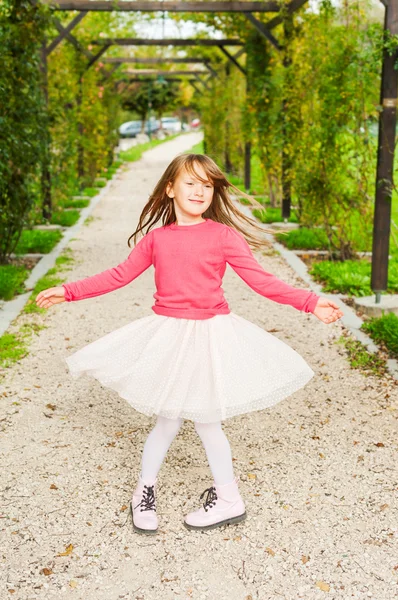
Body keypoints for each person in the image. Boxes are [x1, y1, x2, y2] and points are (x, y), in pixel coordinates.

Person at [35, 153, 344, 536]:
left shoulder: (223, 236)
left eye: (207, 185)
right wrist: (68, 290)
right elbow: (118, 275)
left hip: (210, 336)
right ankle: (146, 493)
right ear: (170, 189)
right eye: (190, 183)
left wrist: (310, 301)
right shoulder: (156, 240)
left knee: (206, 420)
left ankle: (227, 498)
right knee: (168, 420)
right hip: (169, 336)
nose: (199, 191)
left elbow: (262, 281)